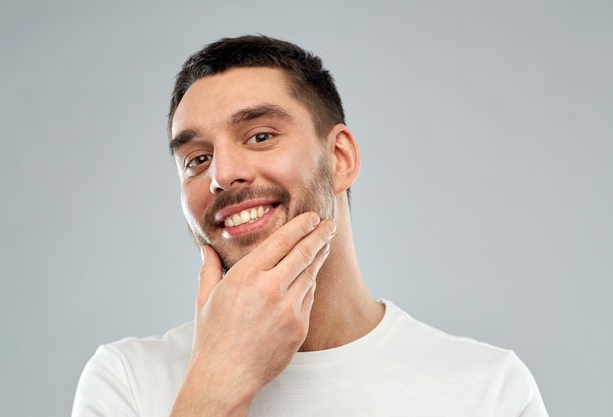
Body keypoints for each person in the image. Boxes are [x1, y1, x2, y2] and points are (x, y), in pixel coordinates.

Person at [72, 35, 548, 417]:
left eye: (260, 136)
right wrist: (216, 382)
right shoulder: (127, 380)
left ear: (339, 158)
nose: (221, 175)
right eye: (197, 159)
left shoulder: (488, 389)